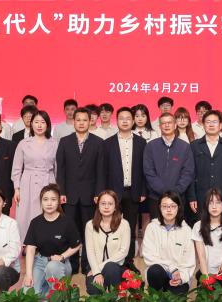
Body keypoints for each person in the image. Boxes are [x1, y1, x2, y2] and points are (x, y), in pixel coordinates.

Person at [56, 108, 106, 274]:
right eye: (78, 120)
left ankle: (87, 264)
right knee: (70, 231)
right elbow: (61, 170)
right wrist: (61, 192)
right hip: (69, 195)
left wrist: (98, 193)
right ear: (74, 122)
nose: (82, 123)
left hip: (90, 195)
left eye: (85, 120)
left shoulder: (98, 142)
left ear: (90, 121)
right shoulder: (64, 141)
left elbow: (101, 170)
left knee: (89, 231)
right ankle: (71, 265)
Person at [103, 107, 148, 263]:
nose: (125, 121)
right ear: (117, 121)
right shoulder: (107, 143)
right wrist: (104, 193)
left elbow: (145, 169)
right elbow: (103, 170)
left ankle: (128, 262)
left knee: (130, 227)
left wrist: (143, 191)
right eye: (121, 118)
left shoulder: (141, 142)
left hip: (133, 191)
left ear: (133, 121)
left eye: (128, 118)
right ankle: (112, 260)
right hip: (113, 193)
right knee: (112, 226)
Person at [23, 184, 81, 296]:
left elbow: (77, 245)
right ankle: (47, 288)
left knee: (52, 267)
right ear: (41, 201)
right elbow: (30, 249)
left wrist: (62, 256)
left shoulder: (67, 222)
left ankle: (58, 294)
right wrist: (28, 274)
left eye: (53, 199)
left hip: (60, 263)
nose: (49, 203)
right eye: (45, 199)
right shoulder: (35, 222)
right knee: (28, 294)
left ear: (58, 201)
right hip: (40, 262)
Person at [11, 110, 59, 241]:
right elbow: (16, 168)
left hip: (48, 181)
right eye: (36, 122)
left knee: (47, 212)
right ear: (31, 124)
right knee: (26, 214)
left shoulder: (54, 143)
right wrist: (17, 188)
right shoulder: (23, 143)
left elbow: (57, 168)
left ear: (48, 124)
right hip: (27, 182)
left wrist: (57, 187)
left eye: (43, 122)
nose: (39, 125)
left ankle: (46, 243)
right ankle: (26, 243)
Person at [188, 110, 222, 221]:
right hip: (200, 196)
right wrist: (192, 197)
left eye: (214, 122)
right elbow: (190, 173)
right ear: (203, 124)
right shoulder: (194, 146)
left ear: (220, 125)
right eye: (208, 122)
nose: (211, 125)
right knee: (200, 227)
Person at [143, 112, 196, 218]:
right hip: (156, 198)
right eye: (163, 123)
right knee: (156, 226)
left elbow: (188, 172)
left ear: (175, 125)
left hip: (178, 197)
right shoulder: (151, 146)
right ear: (159, 126)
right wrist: (163, 191)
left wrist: (176, 192)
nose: (166, 125)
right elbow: (148, 171)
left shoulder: (185, 147)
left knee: (177, 227)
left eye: (169, 123)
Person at [142, 191, 194, 295]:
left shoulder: (186, 230)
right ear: (159, 208)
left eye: (173, 206)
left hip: (178, 275)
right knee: (155, 270)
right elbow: (149, 256)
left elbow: (189, 262)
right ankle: (155, 296)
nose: (169, 210)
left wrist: (180, 277)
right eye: (165, 206)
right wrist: (171, 268)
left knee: (175, 300)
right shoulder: (152, 227)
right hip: (159, 274)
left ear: (179, 207)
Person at [84, 190, 131, 294]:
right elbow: (90, 252)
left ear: (115, 207)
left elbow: (123, 252)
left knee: (111, 267)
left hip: (116, 267)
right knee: (94, 290)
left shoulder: (124, 224)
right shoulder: (90, 225)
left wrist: (101, 267)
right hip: (95, 266)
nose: (106, 207)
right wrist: (96, 272)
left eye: (110, 204)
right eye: (103, 203)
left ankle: (115, 298)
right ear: (98, 206)